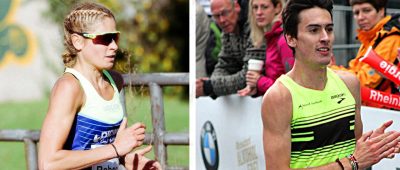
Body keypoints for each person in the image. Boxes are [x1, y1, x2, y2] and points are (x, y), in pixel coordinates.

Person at [261, 0, 400, 169]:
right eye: (314, 30)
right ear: (291, 39)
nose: (325, 38)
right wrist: (350, 164)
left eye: (329, 29)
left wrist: (372, 146)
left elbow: (355, 153)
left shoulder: (349, 83)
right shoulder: (280, 96)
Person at [38, 2, 161, 169]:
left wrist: (126, 159)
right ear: (78, 42)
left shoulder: (115, 81)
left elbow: (97, 149)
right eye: (104, 38)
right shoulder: (69, 87)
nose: (114, 46)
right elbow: (48, 163)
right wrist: (116, 149)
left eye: (115, 37)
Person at [331, 0, 400, 108]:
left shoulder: (390, 38)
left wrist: (332, 71)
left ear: (381, 11)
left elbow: (364, 82)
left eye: (366, 11)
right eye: (356, 13)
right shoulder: (371, 37)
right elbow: (355, 70)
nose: (360, 17)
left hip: (384, 112)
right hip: (372, 108)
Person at [196, 0, 266, 98]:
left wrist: (210, 86)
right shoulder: (227, 31)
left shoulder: (256, 27)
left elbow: (249, 76)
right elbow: (224, 64)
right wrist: (212, 83)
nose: (222, 20)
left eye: (225, 13)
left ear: (237, 7)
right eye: (216, 16)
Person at [237, 0, 294, 96]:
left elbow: (294, 86)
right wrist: (257, 89)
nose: (259, 12)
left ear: (278, 7)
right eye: (255, 7)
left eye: (264, 7)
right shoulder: (271, 37)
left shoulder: (284, 40)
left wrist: (259, 81)